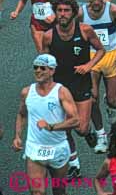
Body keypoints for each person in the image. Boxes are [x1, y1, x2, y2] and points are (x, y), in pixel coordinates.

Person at [42, 0, 106, 179]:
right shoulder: (48, 36)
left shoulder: (85, 30)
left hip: (81, 85)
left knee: (81, 128)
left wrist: (89, 66)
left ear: (73, 13)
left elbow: (101, 49)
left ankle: (90, 133)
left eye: (66, 10)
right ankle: (74, 163)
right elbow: (45, 62)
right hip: (60, 88)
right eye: (59, 11)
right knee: (64, 127)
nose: (62, 14)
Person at [12, 54, 79, 195]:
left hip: (58, 148)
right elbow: (22, 114)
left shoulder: (61, 92)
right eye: (35, 67)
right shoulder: (26, 92)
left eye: (43, 68)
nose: (38, 71)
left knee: (59, 190)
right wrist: (17, 136)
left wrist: (51, 127)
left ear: (52, 71)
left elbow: (75, 120)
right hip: (35, 148)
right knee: (37, 192)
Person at [78, 0, 116, 154]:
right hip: (91, 57)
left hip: (111, 55)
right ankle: (101, 134)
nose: (97, 3)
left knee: (113, 101)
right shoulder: (81, 13)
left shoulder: (113, 10)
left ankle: (110, 110)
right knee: (92, 98)